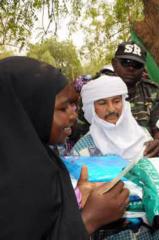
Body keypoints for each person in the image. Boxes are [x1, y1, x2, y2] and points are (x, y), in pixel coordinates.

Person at [0, 56, 129, 239]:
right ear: (30, 111)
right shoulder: (16, 182)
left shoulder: (41, 157)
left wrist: (75, 200)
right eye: (62, 108)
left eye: (73, 105)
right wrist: (89, 219)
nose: (73, 116)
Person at [71, 74, 159, 159]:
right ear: (92, 108)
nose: (111, 109)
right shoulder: (81, 151)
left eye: (116, 101)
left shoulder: (143, 134)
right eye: (102, 103)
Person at [111, 41, 159, 140]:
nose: (131, 68)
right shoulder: (97, 92)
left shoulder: (153, 92)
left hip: (144, 152)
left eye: (137, 64)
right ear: (114, 63)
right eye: (125, 62)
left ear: (143, 68)